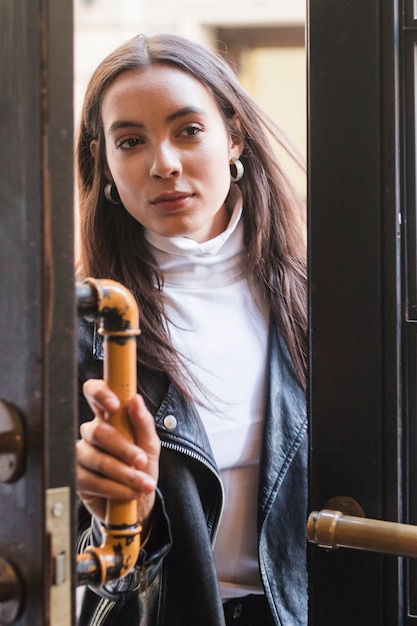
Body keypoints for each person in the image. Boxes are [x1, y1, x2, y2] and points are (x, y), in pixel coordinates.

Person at [75, 32, 308, 626]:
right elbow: (63, 568)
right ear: (103, 165)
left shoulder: (322, 304)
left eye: (188, 130)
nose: (165, 164)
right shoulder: (83, 331)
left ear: (234, 136)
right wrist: (120, 519)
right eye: (131, 141)